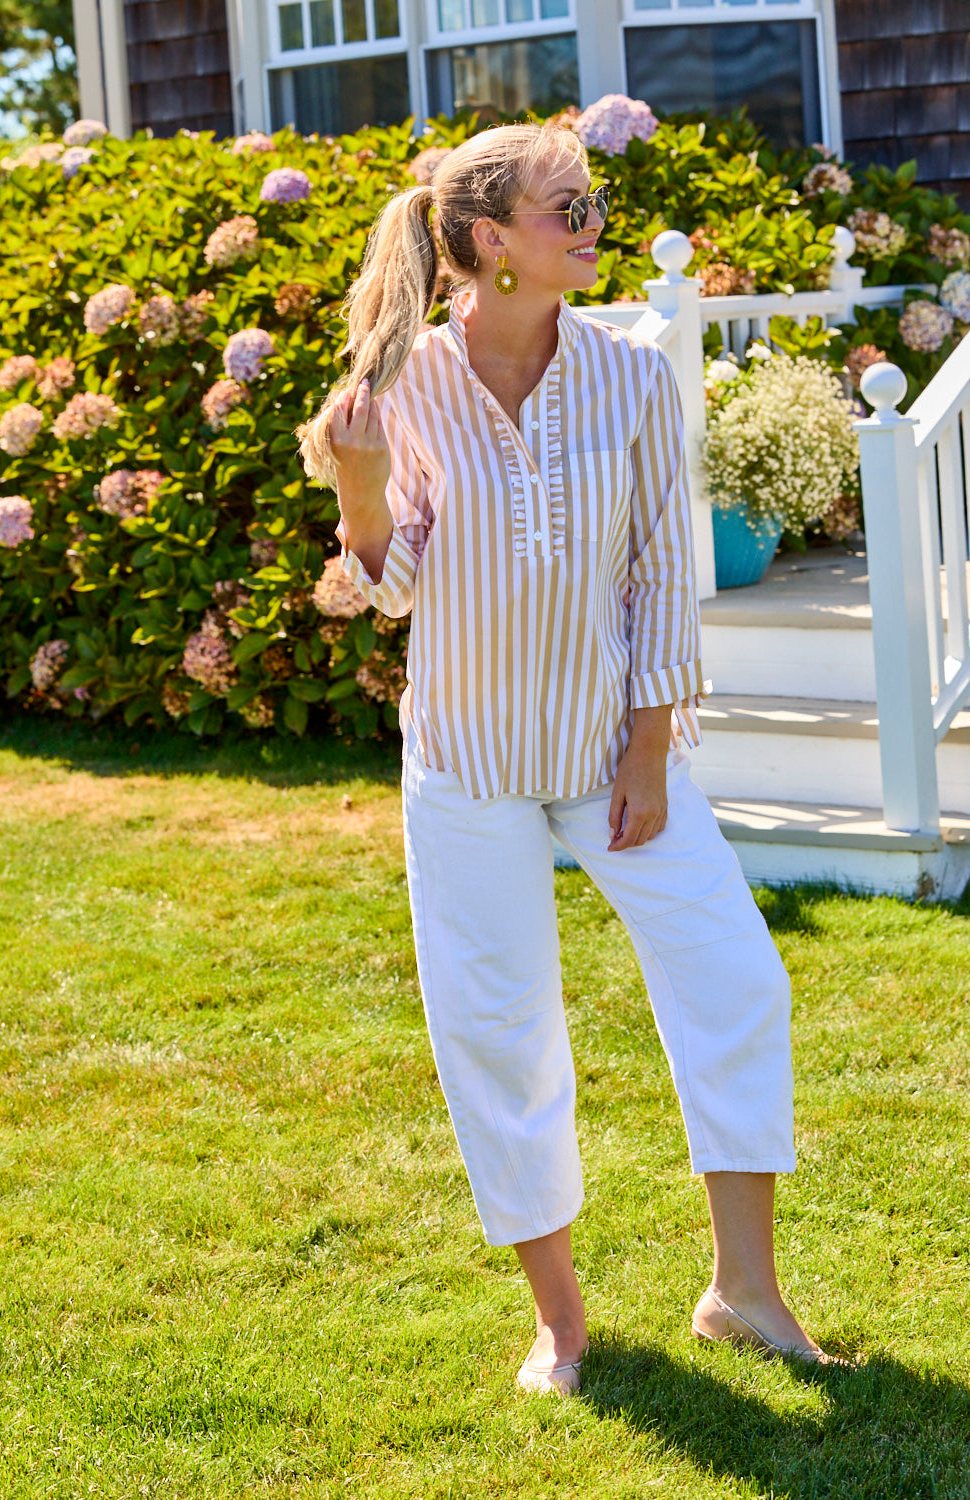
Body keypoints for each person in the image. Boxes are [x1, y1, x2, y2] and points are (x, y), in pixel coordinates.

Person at [299, 122, 836, 1394]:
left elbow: (659, 568)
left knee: (736, 980)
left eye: (593, 203)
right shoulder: (403, 386)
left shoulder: (629, 375)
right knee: (499, 1029)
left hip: (611, 753)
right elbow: (391, 584)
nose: (593, 224)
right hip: (468, 763)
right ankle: (561, 1323)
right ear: (492, 241)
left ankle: (742, 1293)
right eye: (569, 208)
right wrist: (360, 491)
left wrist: (649, 750)